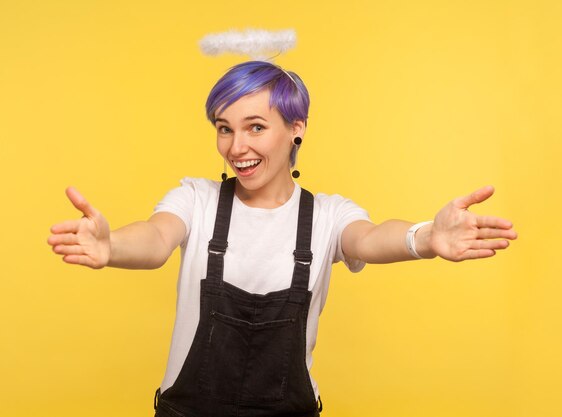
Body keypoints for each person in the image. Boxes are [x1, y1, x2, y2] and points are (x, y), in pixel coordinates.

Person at [47, 61, 517, 417]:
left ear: (297, 129)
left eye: (256, 127)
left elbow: (371, 238)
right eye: (224, 129)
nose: (237, 147)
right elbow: (154, 239)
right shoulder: (197, 198)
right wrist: (112, 249)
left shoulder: (328, 216)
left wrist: (427, 237)